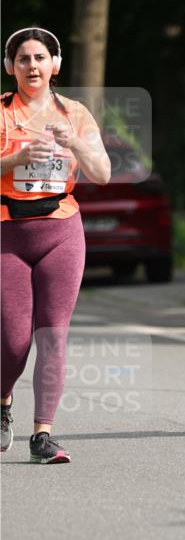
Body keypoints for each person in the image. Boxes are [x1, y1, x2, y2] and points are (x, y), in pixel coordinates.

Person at [1, 27, 111, 463]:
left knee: (52, 335)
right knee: (11, 342)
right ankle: (4, 397)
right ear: (10, 67)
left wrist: (76, 143)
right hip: (8, 231)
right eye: (23, 58)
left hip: (61, 228)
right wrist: (15, 159)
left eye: (40, 58)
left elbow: (101, 172)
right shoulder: (3, 113)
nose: (32, 66)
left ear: (56, 65)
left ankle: (43, 434)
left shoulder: (75, 113)